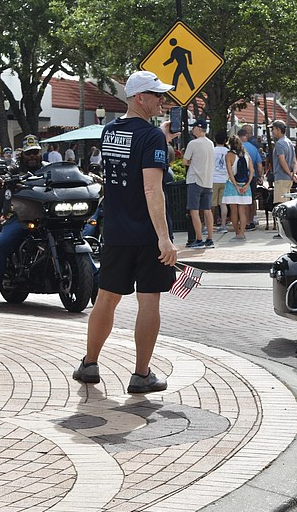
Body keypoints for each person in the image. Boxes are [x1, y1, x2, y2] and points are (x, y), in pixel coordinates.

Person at [73, 70, 177, 394]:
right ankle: (141, 374)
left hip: (116, 231)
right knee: (149, 302)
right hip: (147, 236)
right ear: (139, 97)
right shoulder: (151, 136)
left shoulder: (109, 131)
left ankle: (90, 363)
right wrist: (164, 237)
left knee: (106, 299)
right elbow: (152, 189)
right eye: (157, 95)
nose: (162, 100)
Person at [0, 136, 47, 308]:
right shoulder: (14, 169)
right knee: (2, 245)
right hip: (19, 216)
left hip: (45, 216)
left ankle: (96, 284)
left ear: (40, 153)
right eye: (29, 153)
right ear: (22, 154)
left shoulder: (48, 169)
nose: (32, 156)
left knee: (72, 235)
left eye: (35, 152)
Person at [183, 119, 215, 249]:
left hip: (195, 179)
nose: (192, 130)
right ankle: (210, 239)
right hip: (208, 180)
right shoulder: (210, 143)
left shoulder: (193, 143)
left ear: (199, 129)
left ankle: (199, 239)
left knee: (194, 210)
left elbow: (185, 161)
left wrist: (193, 163)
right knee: (207, 210)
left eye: (194, 127)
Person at [222, 135, 254, 240]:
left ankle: (236, 233)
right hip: (244, 184)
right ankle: (242, 233)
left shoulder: (229, 155)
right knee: (242, 210)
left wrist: (235, 185)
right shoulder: (246, 155)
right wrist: (247, 184)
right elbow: (252, 171)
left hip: (232, 185)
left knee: (233, 211)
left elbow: (230, 172)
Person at [239, 126, 263, 230]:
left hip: (240, 178)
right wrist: (260, 176)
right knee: (252, 199)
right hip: (252, 177)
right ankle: (252, 219)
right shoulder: (253, 148)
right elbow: (259, 164)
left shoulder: (238, 148)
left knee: (242, 201)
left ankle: (244, 222)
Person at [271, 119, 297, 206]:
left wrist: (290, 174)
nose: (272, 131)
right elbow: (294, 162)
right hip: (288, 179)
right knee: (287, 203)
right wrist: (293, 174)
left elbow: (282, 161)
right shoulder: (289, 142)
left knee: (280, 204)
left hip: (281, 177)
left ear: (278, 129)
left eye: (273, 129)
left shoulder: (279, 144)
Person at [212, 133, 229, 233]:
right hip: (225, 178)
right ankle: (223, 225)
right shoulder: (228, 152)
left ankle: (209, 224)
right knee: (223, 204)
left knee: (211, 204)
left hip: (214, 178)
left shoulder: (212, 150)